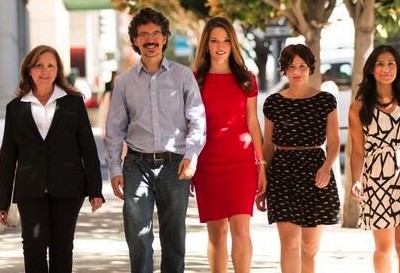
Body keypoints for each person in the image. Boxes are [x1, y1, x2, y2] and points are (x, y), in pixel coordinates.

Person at [105, 7, 206, 273]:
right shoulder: (124, 82)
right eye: (143, 35)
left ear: (164, 38)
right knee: (138, 238)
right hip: (137, 165)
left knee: (174, 239)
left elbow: (197, 120)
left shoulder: (183, 76)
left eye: (155, 34)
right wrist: (115, 169)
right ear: (135, 40)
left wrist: (191, 156)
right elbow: (114, 129)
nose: (150, 40)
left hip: (175, 165)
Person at [0, 44, 104, 273]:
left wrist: (95, 189)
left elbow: (87, 148)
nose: (44, 71)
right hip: (30, 190)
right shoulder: (15, 109)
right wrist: (2, 201)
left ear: (58, 70)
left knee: (62, 248)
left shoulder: (74, 103)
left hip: (68, 188)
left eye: (50, 66)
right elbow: (7, 159)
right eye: (38, 66)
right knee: (33, 248)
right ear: (29, 70)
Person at [256, 44, 341, 273]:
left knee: (310, 246)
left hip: (316, 171)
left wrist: (326, 167)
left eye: (302, 66)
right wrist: (262, 178)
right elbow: (267, 144)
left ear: (310, 68)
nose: (297, 71)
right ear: (284, 69)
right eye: (291, 66)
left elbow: (334, 142)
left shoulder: (326, 101)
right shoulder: (273, 103)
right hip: (283, 173)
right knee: (289, 242)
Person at [192, 17, 266, 273]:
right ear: (206, 45)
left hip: (242, 163)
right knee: (217, 233)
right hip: (208, 164)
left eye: (225, 40)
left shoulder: (247, 79)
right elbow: (189, 125)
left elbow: (253, 124)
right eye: (214, 41)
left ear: (233, 44)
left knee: (241, 229)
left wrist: (262, 164)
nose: (220, 46)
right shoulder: (194, 79)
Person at [349, 44, 400, 273]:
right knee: (384, 248)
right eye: (380, 64)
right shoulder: (359, 108)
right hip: (377, 178)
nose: (386, 69)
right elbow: (357, 151)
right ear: (371, 70)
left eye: (391, 63)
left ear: (398, 68)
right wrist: (356, 179)